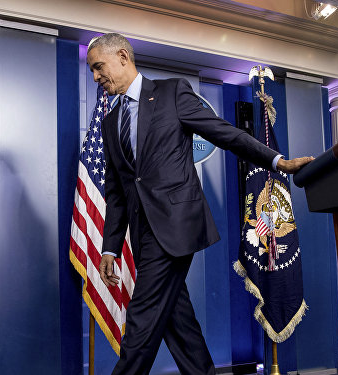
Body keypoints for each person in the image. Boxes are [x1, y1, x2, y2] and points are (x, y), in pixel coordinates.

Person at [87, 33, 313, 374]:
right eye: (91, 71)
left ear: (122, 56)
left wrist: (277, 162)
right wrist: (110, 249)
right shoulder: (109, 122)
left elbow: (224, 133)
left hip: (177, 225)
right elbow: (118, 190)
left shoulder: (171, 92)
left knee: (142, 319)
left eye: (98, 67)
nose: (95, 77)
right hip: (143, 234)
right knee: (178, 323)